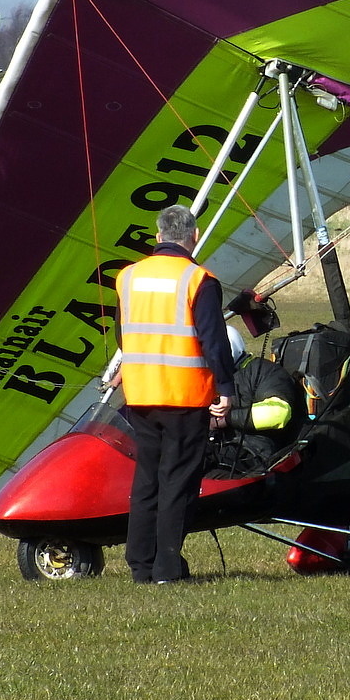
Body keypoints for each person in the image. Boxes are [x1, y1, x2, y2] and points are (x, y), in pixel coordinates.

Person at [118, 204, 234, 584]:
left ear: (158, 237)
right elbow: (214, 342)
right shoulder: (198, 279)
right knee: (177, 482)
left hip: (140, 394)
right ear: (193, 237)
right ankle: (167, 567)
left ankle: (140, 564)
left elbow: (123, 334)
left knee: (147, 479)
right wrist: (226, 389)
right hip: (184, 396)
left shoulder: (128, 277)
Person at [206, 326, 303, 476]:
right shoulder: (207, 378)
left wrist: (227, 418)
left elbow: (278, 413)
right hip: (215, 447)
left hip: (253, 453)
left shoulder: (266, 372)